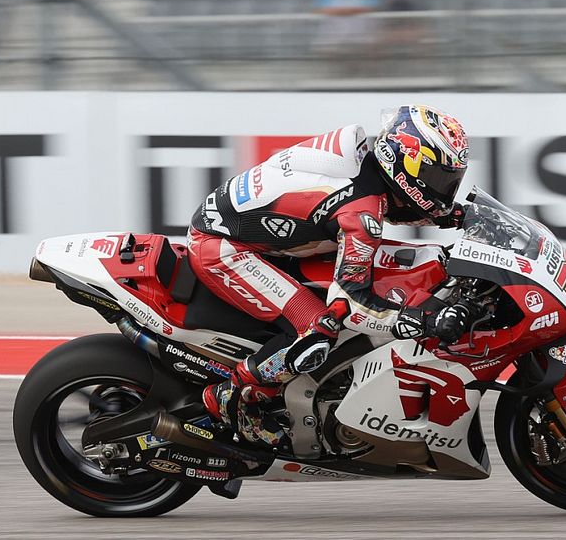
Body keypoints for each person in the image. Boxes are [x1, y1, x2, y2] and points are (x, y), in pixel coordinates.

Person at [187, 105, 471, 445]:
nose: (443, 188)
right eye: (439, 179)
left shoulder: (367, 162)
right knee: (320, 326)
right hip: (222, 248)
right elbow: (350, 299)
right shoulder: (359, 212)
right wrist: (417, 320)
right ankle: (235, 395)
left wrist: (458, 215)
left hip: (267, 236)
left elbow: (396, 205)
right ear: (405, 161)